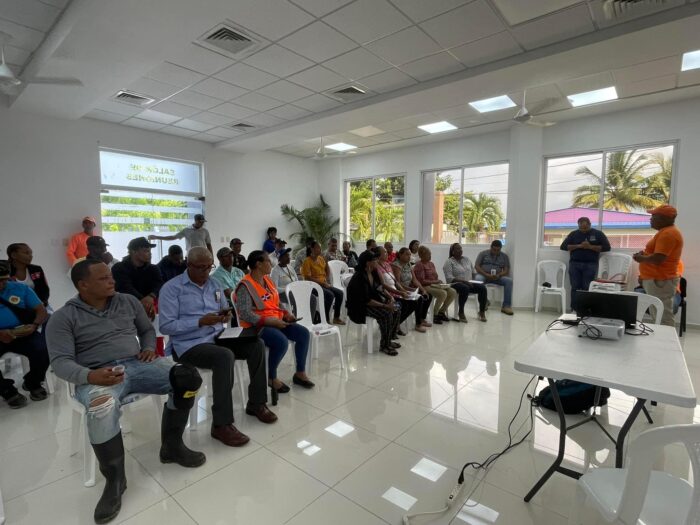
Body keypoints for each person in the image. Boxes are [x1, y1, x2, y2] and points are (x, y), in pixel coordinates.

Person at [46, 259, 206, 524]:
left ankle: (172, 446)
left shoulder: (128, 301)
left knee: (187, 378)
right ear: (83, 285)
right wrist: (89, 376)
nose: (112, 281)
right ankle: (115, 480)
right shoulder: (63, 318)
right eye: (103, 278)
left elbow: (146, 330)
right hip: (97, 374)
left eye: (111, 276)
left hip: (138, 364)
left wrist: (147, 347)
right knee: (102, 406)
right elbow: (60, 362)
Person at [159, 247, 277, 449]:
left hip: (217, 336)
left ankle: (256, 403)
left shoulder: (214, 283)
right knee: (224, 356)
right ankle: (221, 424)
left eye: (209, 267)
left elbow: (223, 308)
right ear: (188, 264)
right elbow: (166, 326)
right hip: (189, 344)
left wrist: (225, 315)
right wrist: (199, 322)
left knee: (256, 344)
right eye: (201, 268)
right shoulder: (172, 288)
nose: (206, 272)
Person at [235, 250, 314, 393]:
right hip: (256, 326)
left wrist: (286, 314)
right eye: (268, 261)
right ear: (258, 264)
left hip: (276, 320)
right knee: (281, 341)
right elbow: (245, 314)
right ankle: (271, 377)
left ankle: (300, 373)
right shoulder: (245, 286)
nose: (271, 263)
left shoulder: (268, 280)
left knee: (303, 334)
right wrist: (268, 321)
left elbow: (276, 303)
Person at [0, 260, 50, 408]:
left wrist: (34, 325)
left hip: (21, 332)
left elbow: (41, 311)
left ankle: (33, 383)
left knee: (43, 349)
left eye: (4, 280)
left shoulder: (20, 289)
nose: (2, 284)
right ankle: (7, 391)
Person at [633, 204, 683, 327]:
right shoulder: (665, 232)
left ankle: (667, 339)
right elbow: (657, 254)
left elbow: (658, 259)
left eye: (654, 216)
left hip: (660, 281)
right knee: (658, 314)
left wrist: (641, 258)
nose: (650, 219)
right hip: (657, 280)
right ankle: (661, 338)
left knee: (663, 316)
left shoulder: (668, 234)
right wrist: (644, 255)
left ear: (664, 218)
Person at [346, 250, 401, 356]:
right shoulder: (359, 277)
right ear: (368, 263)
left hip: (370, 302)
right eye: (374, 260)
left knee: (396, 308)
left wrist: (389, 297)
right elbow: (366, 300)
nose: (377, 261)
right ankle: (384, 346)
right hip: (359, 307)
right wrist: (385, 306)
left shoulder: (373, 272)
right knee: (386, 313)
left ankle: (389, 339)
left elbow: (380, 287)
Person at [560, 216, 611, 310]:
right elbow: (563, 246)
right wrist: (579, 246)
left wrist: (590, 247)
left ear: (590, 225)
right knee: (575, 287)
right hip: (575, 264)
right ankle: (574, 309)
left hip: (590, 265)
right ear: (578, 225)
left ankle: (585, 309)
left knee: (587, 287)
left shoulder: (598, 234)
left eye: (585, 228)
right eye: (581, 228)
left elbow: (607, 247)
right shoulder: (573, 234)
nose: (583, 230)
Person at [111, 237, 163, 321]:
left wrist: (151, 296)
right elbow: (125, 287)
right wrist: (145, 301)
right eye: (146, 251)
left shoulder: (153, 268)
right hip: (125, 310)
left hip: (149, 308)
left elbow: (159, 284)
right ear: (133, 251)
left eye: (150, 251)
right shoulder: (119, 268)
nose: (150, 254)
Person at [375, 246, 421, 333]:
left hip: (395, 292)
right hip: (386, 294)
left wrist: (403, 291)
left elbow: (396, 281)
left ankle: (395, 325)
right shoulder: (376, 267)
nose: (387, 254)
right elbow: (383, 285)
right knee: (406, 304)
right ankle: (394, 326)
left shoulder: (387, 265)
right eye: (384, 252)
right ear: (378, 255)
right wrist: (400, 292)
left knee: (415, 301)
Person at [300, 241, 345, 325]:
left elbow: (327, 269)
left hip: (323, 284)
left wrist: (326, 279)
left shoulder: (321, 259)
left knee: (340, 293)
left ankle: (336, 317)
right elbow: (307, 278)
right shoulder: (307, 261)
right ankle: (325, 319)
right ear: (312, 249)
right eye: (318, 247)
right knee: (330, 295)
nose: (320, 249)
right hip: (312, 286)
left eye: (320, 248)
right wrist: (322, 283)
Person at [443, 243, 487, 322]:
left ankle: (482, 311)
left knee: (482, 288)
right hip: (455, 284)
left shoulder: (467, 259)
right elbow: (449, 278)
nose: (460, 250)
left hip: (469, 283)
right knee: (464, 288)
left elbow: (473, 272)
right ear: (453, 251)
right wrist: (464, 282)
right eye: (457, 249)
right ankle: (461, 312)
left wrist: (474, 281)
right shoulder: (449, 262)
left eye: (461, 248)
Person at [414, 245, 456, 324]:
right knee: (443, 293)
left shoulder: (431, 264)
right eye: (428, 254)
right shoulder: (419, 265)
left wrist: (439, 282)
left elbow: (435, 276)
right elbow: (421, 281)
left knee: (452, 291)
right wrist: (434, 282)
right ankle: (435, 315)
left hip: (435, 285)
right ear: (422, 255)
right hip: (425, 286)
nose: (430, 256)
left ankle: (441, 312)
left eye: (430, 254)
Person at [393, 247, 433, 330]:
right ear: (400, 255)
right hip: (400, 290)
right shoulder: (396, 265)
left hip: (409, 289)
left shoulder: (408, 264)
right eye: (406, 254)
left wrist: (422, 289)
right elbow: (398, 283)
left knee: (428, 295)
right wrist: (411, 290)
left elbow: (414, 280)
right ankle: (418, 324)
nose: (409, 256)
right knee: (420, 298)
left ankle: (422, 318)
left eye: (410, 255)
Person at [474, 240, 514, 315]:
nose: (496, 252)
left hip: (497, 277)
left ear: (500, 249)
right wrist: (486, 274)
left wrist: (499, 275)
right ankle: (484, 302)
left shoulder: (504, 256)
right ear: (491, 247)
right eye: (494, 249)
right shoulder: (483, 254)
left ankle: (506, 306)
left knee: (509, 281)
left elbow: (506, 270)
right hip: (484, 275)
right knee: (478, 279)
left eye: (498, 250)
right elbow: (477, 266)